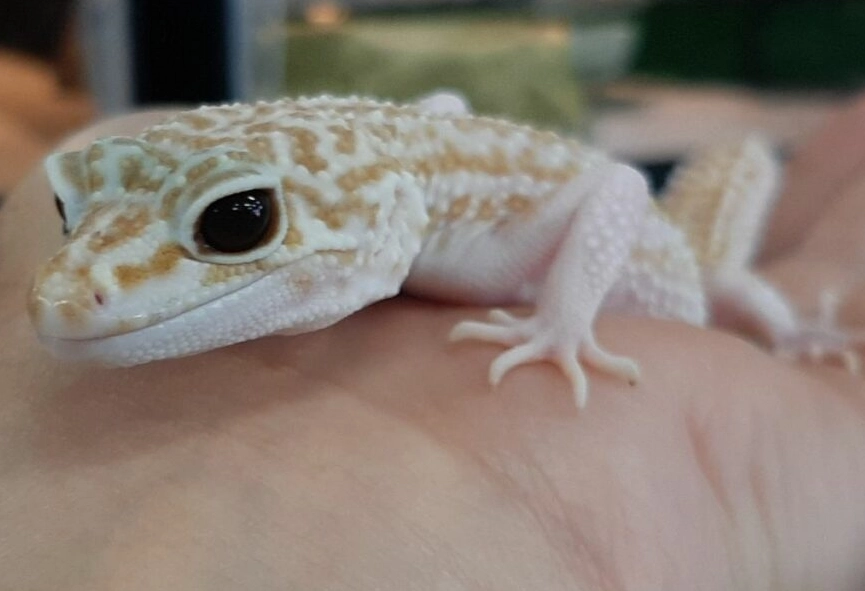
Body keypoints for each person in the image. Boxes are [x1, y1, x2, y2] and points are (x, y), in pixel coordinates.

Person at [2, 97, 865, 590]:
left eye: (236, 221)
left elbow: (614, 189)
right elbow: (443, 112)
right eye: (74, 208)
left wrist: (562, 320)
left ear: (380, 209)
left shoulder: (461, 234)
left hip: (679, 288)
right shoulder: (404, 198)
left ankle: (791, 324)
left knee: (733, 287)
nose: (77, 287)